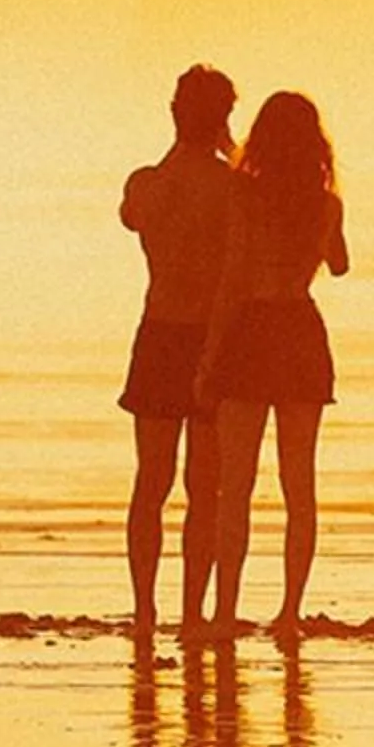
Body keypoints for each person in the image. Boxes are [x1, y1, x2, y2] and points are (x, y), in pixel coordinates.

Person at [199, 90, 350, 641]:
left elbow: (234, 277)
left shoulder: (246, 196)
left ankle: (224, 612)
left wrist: (210, 357)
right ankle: (290, 613)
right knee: (298, 485)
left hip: (253, 330)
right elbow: (339, 264)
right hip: (301, 332)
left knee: (234, 486)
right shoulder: (326, 203)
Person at [118, 64, 243, 636]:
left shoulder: (149, 181)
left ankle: (146, 611)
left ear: (174, 113)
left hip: (163, 331)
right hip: (213, 336)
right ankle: (192, 613)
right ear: (222, 118)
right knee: (205, 485)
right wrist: (230, 150)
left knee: (154, 480)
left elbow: (135, 217)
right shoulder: (233, 186)